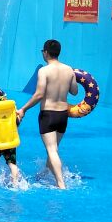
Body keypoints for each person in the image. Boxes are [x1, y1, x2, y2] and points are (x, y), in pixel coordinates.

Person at [16, 39, 78, 189]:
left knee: (51, 150)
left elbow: (39, 95)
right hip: (63, 115)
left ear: (45, 52)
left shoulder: (44, 71)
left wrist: (23, 109)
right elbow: (74, 92)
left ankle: (61, 184)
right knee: (54, 149)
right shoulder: (69, 70)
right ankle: (46, 172)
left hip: (48, 115)